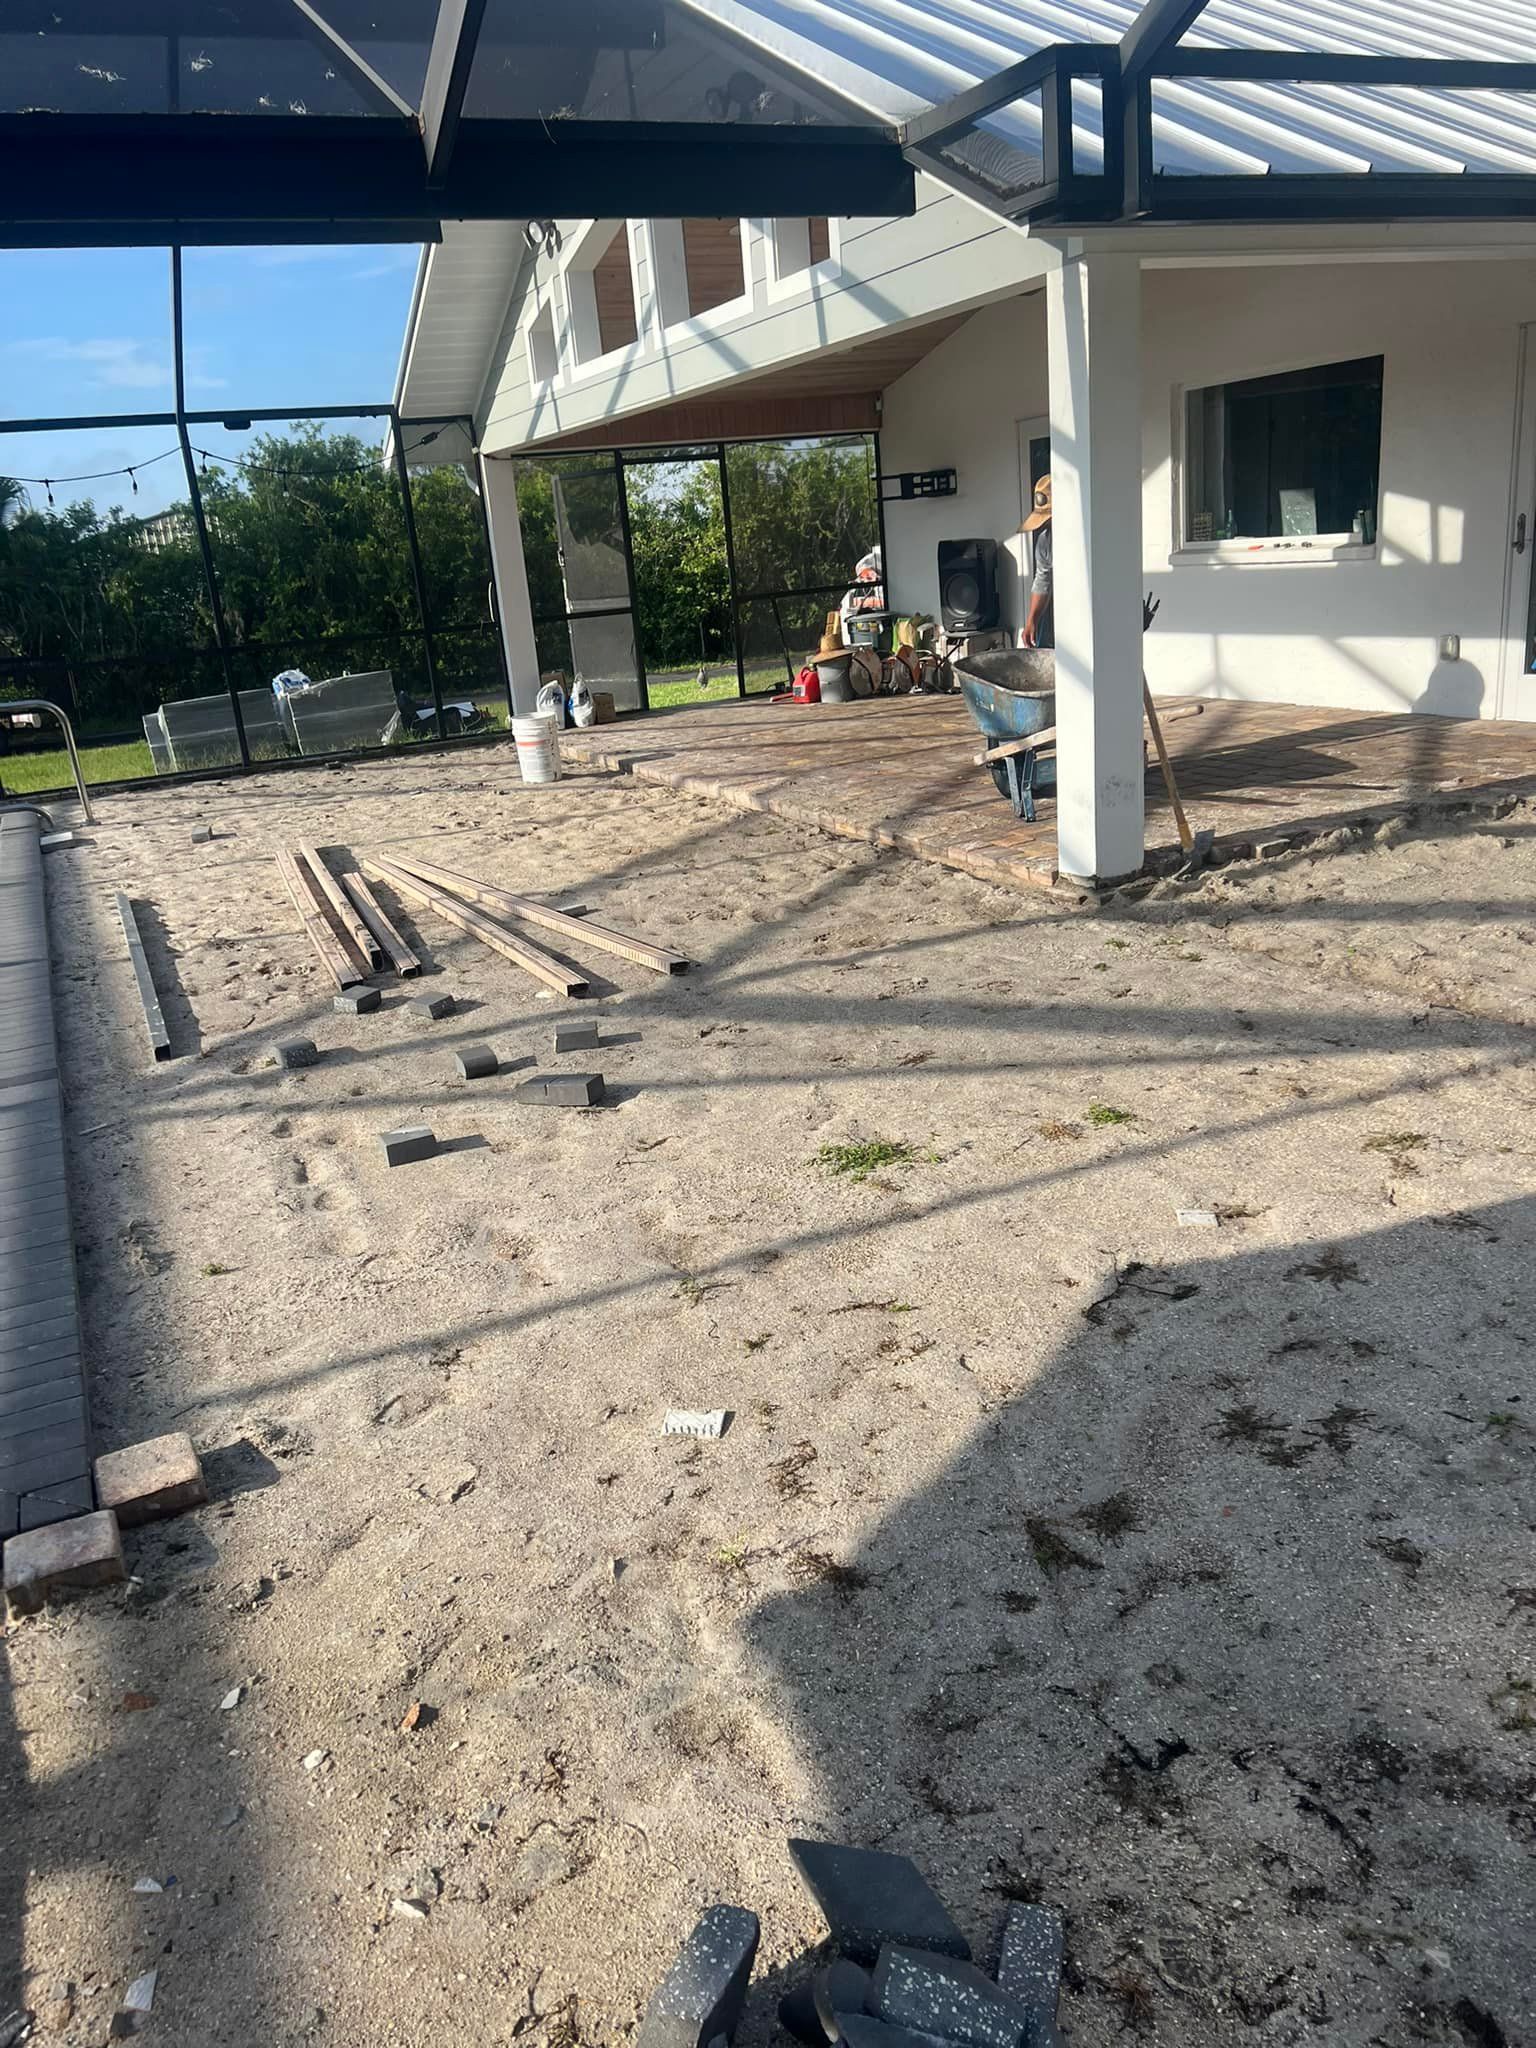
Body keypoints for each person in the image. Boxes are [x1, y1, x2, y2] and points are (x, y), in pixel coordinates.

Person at [1019, 472, 1052, 649]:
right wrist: (1032, 620)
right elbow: (1042, 580)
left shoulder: (1093, 534)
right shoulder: (1045, 541)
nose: (1046, 524)